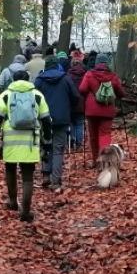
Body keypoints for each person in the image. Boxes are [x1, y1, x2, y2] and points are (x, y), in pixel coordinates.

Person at [0, 70, 51, 221]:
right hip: (30, 140)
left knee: (10, 170)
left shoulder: (5, 95)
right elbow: (46, 120)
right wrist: (47, 142)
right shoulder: (37, 95)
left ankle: (12, 202)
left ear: (13, 80)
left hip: (10, 139)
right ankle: (26, 211)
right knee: (28, 177)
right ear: (29, 79)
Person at [33, 56, 81, 190]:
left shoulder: (39, 80)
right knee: (58, 149)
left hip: (44, 119)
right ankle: (56, 180)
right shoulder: (65, 79)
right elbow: (76, 96)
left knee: (46, 147)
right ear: (57, 65)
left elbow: (33, 98)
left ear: (46, 65)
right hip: (62, 119)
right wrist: (69, 107)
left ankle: (46, 176)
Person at [79, 53, 125, 165]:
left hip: (92, 111)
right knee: (105, 135)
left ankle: (96, 160)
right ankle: (105, 162)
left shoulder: (89, 74)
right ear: (107, 63)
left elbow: (82, 89)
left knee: (93, 137)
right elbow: (121, 93)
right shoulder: (113, 76)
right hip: (107, 110)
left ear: (96, 63)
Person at [66, 53, 88, 150]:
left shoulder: (67, 75)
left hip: (70, 103)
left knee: (71, 123)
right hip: (82, 103)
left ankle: (72, 140)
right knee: (79, 123)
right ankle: (79, 144)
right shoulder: (86, 74)